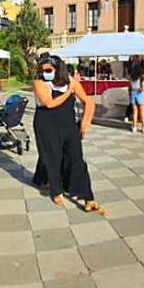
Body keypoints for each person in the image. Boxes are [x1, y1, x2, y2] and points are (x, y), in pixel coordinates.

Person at [31, 55, 101, 213]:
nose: (45, 73)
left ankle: (88, 197)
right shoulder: (39, 82)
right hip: (46, 126)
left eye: (48, 70)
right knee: (53, 157)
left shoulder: (71, 81)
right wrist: (69, 92)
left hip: (69, 126)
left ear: (58, 69)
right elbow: (49, 103)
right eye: (42, 70)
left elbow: (88, 102)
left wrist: (85, 123)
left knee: (77, 160)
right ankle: (56, 190)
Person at [128, 64, 144, 133]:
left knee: (135, 112)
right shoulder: (142, 77)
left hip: (133, 93)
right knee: (142, 112)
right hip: (140, 94)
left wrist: (129, 95)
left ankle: (134, 127)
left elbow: (129, 88)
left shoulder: (131, 78)